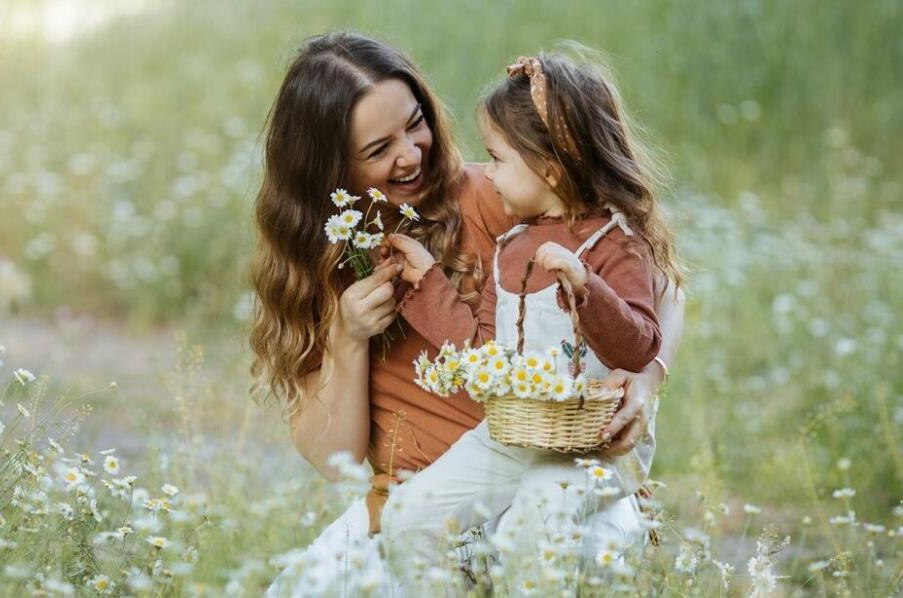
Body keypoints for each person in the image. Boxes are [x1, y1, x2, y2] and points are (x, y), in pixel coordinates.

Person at [249, 33, 684, 594]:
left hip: (552, 480)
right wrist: (347, 339)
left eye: (415, 123)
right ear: (327, 170)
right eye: (378, 150)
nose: (410, 153)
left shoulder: (499, 195)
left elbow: (661, 283)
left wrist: (646, 379)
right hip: (422, 511)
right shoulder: (321, 264)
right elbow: (336, 464)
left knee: (545, 552)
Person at [381, 50, 682, 586]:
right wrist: (427, 280)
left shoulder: (616, 245)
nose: (487, 174)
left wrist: (587, 288)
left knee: (530, 527)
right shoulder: (513, 244)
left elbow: (638, 346)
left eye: (497, 159)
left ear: (550, 166)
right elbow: (484, 351)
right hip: (514, 434)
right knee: (408, 517)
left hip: (593, 447)